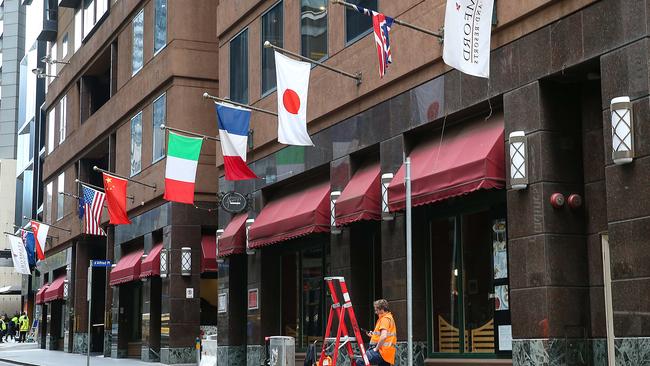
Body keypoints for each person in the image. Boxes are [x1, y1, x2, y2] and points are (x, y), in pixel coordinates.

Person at [356, 299, 397, 366]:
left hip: (381, 351)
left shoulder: (385, 319)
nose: (376, 312)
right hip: (387, 353)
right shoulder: (388, 318)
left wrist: (376, 349)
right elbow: (384, 336)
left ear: (382, 309)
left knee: (360, 361)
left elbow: (383, 336)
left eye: (377, 310)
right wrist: (373, 336)